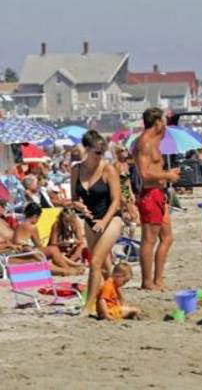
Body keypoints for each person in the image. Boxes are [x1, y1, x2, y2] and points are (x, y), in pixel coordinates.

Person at [69, 131, 124, 315]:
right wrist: (77, 205)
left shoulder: (108, 169)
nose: (100, 156)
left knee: (95, 263)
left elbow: (116, 200)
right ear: (86, 149)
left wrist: (104, 221)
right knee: (106, 268)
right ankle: (117, 301)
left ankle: (88, 307)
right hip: (89, 221)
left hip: (111, 219)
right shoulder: (76, 170)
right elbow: (74, 198)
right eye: (97, 152)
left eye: (102, 152)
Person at [134, 108, 181, 291]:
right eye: (163, 120)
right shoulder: (144, 143)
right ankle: (147, 282)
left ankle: (158, 280)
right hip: (149, 194)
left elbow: (154, 169)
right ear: (157, 122)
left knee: (167, 238)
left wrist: (168, 173)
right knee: (149, 239)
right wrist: (168, 176)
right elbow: (145, 174)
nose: (165, 124)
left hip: (159, 193)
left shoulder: (156, 140)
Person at [13, 203, 84, 276]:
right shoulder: (32, 227)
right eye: (39, 218)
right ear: (35, 216)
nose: (38, 220)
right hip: (25, 251)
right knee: (53, 249)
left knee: (53, 250)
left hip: (20, 251)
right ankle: (68, 269)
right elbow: (38, 245)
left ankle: (72, 266)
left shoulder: (20, 224)